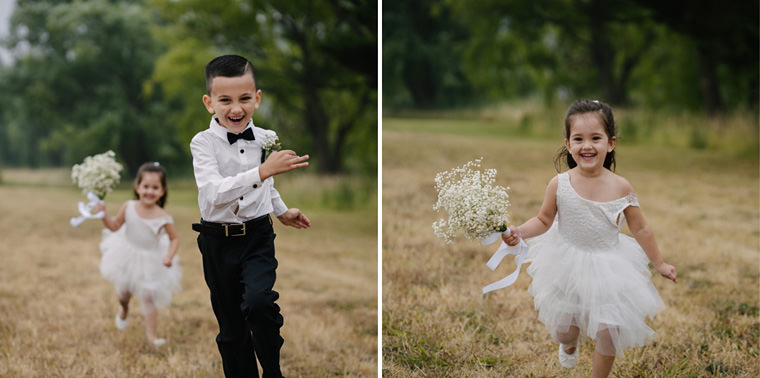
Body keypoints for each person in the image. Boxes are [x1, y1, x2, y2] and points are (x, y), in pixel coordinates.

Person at [501, 99, 677, 378]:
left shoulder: (622, 187)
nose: (587, 145)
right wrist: (519, 232)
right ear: (568, 144)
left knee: (610, 330)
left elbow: (640, 228)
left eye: (596, 138)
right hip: (566, 261)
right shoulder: (559, 183)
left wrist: (660, 263)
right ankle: (569, 345)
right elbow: (544, 220)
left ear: (611, 143)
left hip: (609, 265)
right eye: (578, 138)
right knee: (564, 330)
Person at [190, 54, 311, 378]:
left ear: (257, 99)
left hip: (258, 236)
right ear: (208, 102)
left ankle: (273, 370)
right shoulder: (202, 143)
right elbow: (214, 192)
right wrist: (262, 170)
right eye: (225, 100)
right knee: (232, 327)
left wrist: (282, 211)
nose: (236, 108)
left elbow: (264, 185)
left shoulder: (265, 138)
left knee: (260, 304)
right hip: (217, 240)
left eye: (244, 98)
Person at [97, 162, 181, 347]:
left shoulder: (163, 217)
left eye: (155, 187)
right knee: (124, 293)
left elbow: (174, 238)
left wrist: (169, 256)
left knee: (149, 297)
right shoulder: (129, 206)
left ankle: (151, 335)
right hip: (127, 255)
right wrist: (103, 215)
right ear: (137, 187)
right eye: (146, 186)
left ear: (162, 191)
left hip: (151, 260)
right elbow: (114, 226)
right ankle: (124, 308)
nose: (149, 191)